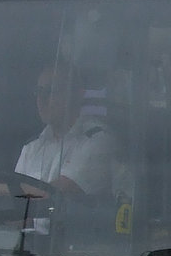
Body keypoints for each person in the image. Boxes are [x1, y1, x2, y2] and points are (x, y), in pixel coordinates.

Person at [16, 59, 118, 197]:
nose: (42, 99)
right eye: (39, 91)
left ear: (76, 94)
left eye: (51, 91)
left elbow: (55, 194)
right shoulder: (32, 147)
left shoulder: (98, 140)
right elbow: (21, 208)